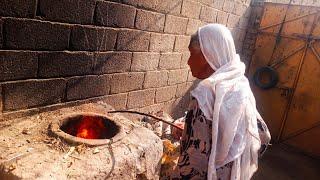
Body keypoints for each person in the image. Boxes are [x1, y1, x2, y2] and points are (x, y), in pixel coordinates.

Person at [170, 24, 271, 180]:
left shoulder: (205, 94)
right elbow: (262, 135)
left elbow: (192, 165)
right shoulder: (240, 84)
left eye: (192, 54)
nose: (188, 62)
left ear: (207, 55)